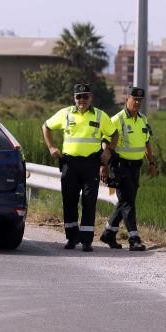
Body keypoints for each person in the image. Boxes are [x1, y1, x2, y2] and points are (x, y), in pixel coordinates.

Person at [43, 83, 119, 252]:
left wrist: (109, 152)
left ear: (90, 97)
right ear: (74, 98)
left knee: (89, 202)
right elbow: (46, 126)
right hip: (69, 164)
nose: (82, 100)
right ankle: (71, 238)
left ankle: (86, 240)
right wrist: (51, 147)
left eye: (85, 96)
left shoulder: (100, 116)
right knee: (69, 201)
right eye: (79, 97)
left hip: (91, 164)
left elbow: (114, 134)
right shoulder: (65, 113)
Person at [100, 86, 157, 252]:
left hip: (135, 168)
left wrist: (151, 163)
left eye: (140, 100)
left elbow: (146, 143)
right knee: (128, 203)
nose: (137, 102)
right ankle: (134, 238)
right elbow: (104, 141)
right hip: (120, 167)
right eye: (134, 99)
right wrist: (103, 166)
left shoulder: (143, 119)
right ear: (127, 100)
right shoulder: (117, 119)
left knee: (125, 201)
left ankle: (109, 233)